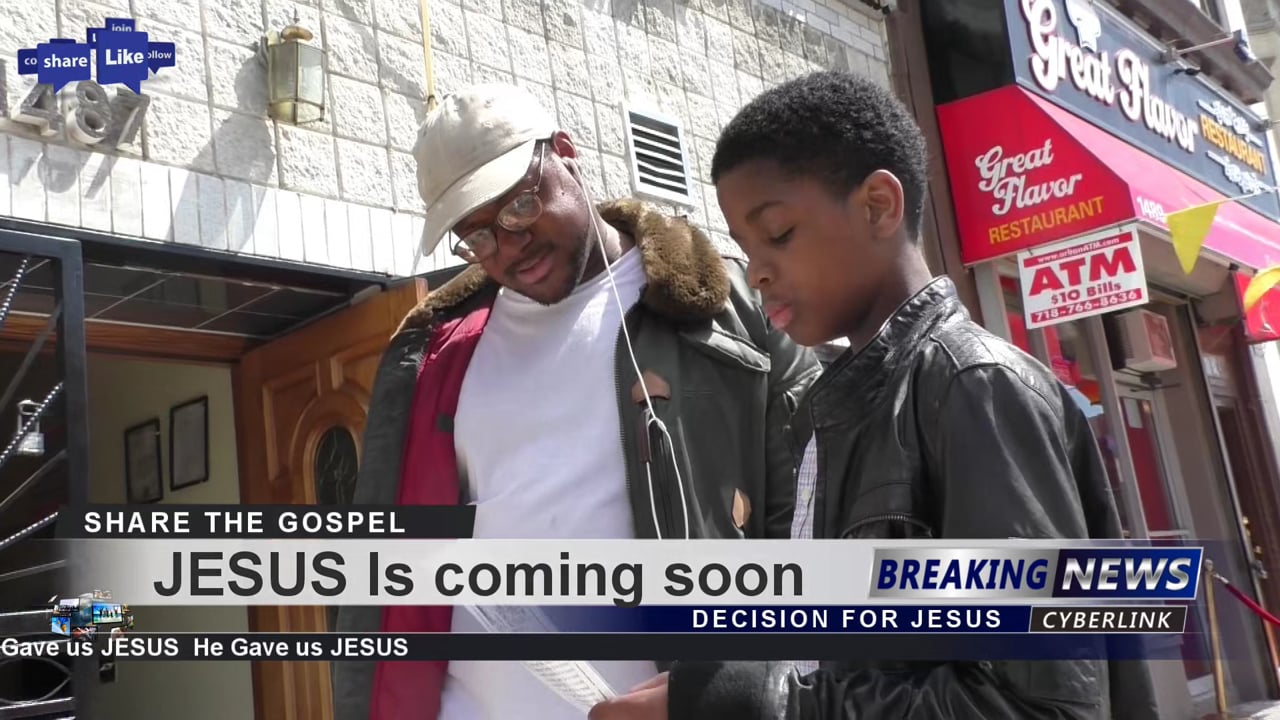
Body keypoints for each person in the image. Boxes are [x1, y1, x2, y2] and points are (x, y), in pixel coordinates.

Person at [588, 71, 1161, 720]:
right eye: (745, 249)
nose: (757, 271)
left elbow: (1037, 705)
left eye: (777, 234)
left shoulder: (975, 387)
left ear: (878, 206)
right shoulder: (833, 409)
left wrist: (764, 703)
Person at [332, 83, 823, 720]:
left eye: (519, 207)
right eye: (476, 236)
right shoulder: (434, 355)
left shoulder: (724, 305)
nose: (509, 247)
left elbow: (818, 518)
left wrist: (745, 689)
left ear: (566, 152)